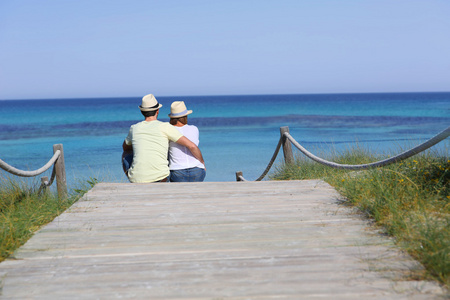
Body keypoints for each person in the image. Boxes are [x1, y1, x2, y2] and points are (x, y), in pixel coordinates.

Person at [122, 94, 205, 183]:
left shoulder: (134, 128)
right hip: (161, 177)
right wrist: (202, 163)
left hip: (139, 179)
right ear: (157, 111)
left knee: (125, 154)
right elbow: (191, 145)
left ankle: (134, 177)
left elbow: (125, 148)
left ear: (142, 112)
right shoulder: (165, 127)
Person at [168, 101, 206, 182]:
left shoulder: (168, 130)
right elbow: (193, 147)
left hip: (177, 170)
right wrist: (202, 162)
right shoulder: (194, 128)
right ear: (185, 116)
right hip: (197, 169)